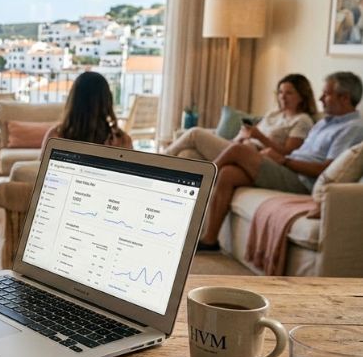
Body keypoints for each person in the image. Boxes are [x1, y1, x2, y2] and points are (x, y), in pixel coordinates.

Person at [199, 71, 363, 251]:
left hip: (301, 180)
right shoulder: (325, 122)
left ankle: (200, 179)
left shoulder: (353, 128)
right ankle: (210, 240)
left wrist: (283, 161)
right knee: (227, 174)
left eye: (326, 94)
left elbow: (324, 169)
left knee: (239, 151)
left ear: (344, 97)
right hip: (289, 168)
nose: (321, 98)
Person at [165, 74, 317, 160]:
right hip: (238, 145)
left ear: (302, 96)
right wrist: (244, 134)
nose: (283, 97)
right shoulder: (274, 113)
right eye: (280, 92)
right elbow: (252, 133)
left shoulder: (302, 120)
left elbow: (288, 154)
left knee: (194, 133)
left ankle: (157, 162)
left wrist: (260, 137)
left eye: (289, 93)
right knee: (188, 155)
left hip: (254, 157)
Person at [44, 71, 133, 148]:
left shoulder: (56, 136)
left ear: (72, 101)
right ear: (107, 101)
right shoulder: (122, 140)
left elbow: (40, 166)